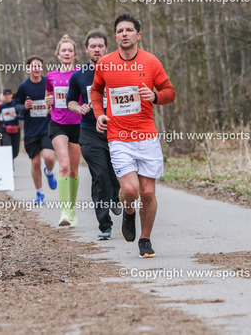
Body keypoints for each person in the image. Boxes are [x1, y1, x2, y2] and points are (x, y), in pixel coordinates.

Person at [91, 14, 176, 258]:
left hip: (146, 136)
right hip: (118, 136)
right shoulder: (105, 64)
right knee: (130, 190)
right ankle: (129, 213)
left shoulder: (151, 62)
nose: (124, 34)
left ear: (138, 35)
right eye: (120, 31)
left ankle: (145, 239)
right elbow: (96, 91)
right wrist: (99, 114)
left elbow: (170, 92)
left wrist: (155, 96)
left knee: (147, 193)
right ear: (115, 37)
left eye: (129, 30)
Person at [67, 29, 121, 240]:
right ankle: (104, 224)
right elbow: (70, 101)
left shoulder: (117, 70)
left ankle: (115, 193)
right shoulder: (78, 75)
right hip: (90, 131)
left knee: (115, 173)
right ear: (86, 49)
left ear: (107, 48)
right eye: (93, 46)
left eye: (100, 46)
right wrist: (78, 108)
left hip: (116, 130)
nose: (97, 49)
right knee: (99, 174)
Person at [45, 35, 82, 227]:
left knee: (74, 169)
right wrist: (48, 101)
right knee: (64, 166)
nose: (67, 53)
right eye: (63, 51)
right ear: (58, 54)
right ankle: (64, 212)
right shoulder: (51, 76)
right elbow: (48, 98)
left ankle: (73, 209)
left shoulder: (81, 74)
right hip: (58, 123)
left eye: (70, 51)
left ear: (75, 55)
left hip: (77, 124)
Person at [14, 56, 57, 204]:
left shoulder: (48, 83)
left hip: (47, 127)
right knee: (36, 163)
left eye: (39, 66)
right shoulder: (24, 87)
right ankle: (40, 193)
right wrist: (24, 107)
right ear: (28, 68)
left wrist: (52, 106)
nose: (36, 69)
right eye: (33, 66)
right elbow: (16, 105)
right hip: (31, 130)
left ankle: (49, 172)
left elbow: (58, 100)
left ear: (42, 67)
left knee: (49, 157)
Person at [0, 88, 23, 161]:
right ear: (3, 96)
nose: (7, 96)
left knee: (15, 151)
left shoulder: (16, 105)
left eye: (8, 94)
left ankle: (11, 160)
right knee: (7, 147)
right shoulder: (0, 106)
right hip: (5, 130)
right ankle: (10, 165)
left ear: (11, 95)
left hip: (15, 130)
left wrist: (15, 116)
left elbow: (23, 116)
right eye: (5, 95)